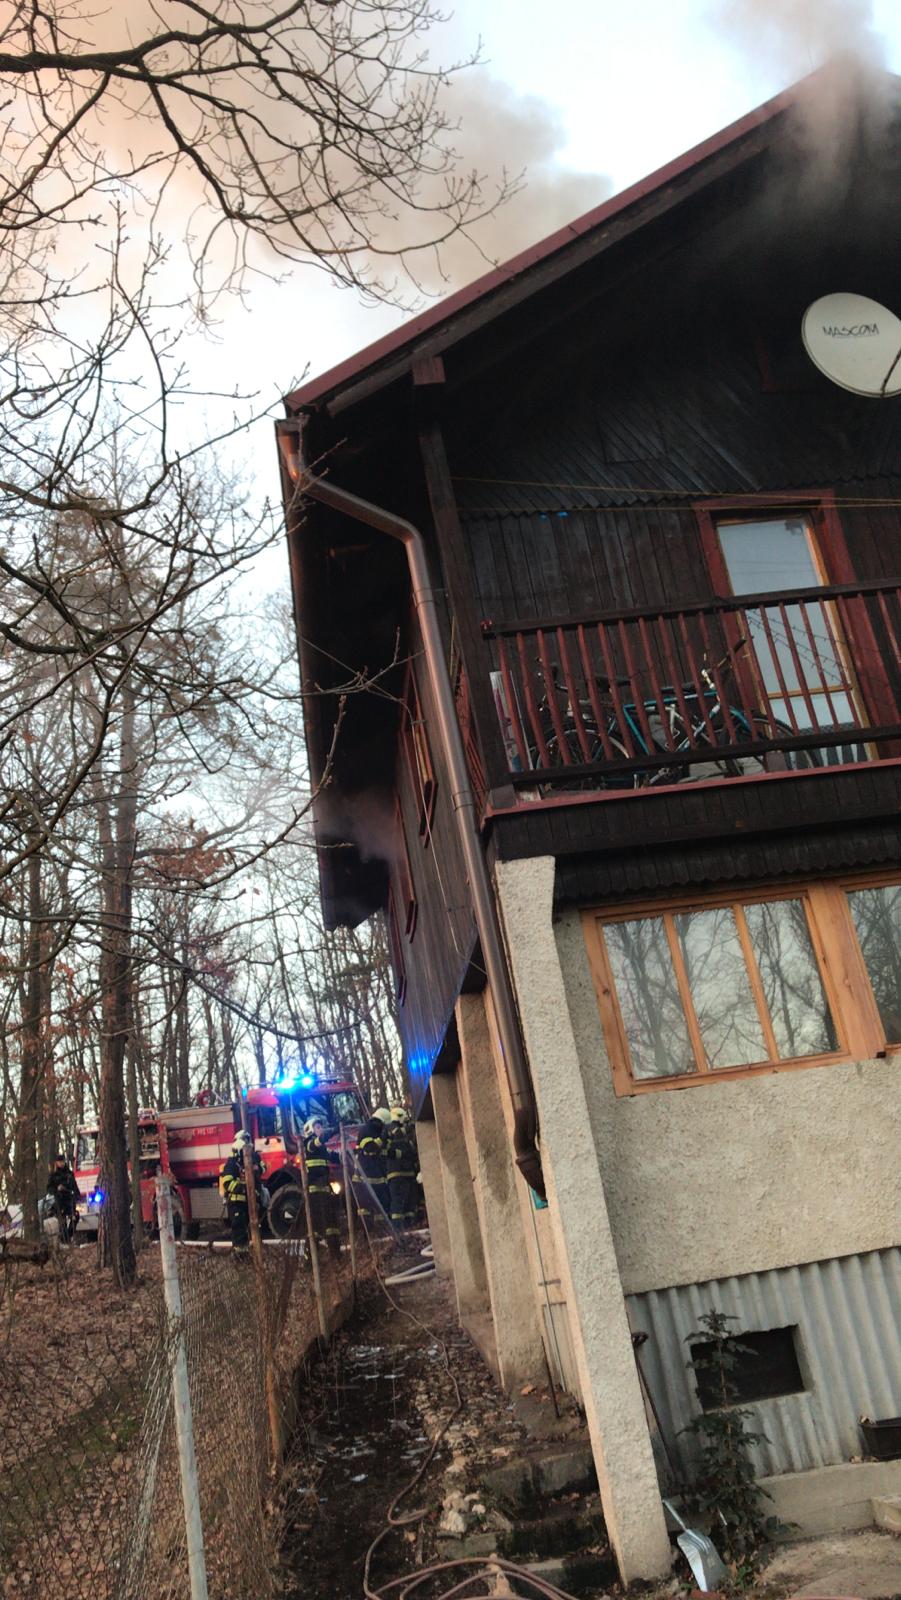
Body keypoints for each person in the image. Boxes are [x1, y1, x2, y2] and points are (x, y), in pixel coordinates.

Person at [302, 1116, 341, 1257]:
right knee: (316, 1225)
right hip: (314, 1192)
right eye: (318, 1127)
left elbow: (334, 1156)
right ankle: (311, 1258)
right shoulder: (309, 1144)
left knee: (331, 1222)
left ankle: (335, 1253)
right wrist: (333, 1131)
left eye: (321, 1127)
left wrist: (346, 1155)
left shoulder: (322, 1148)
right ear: (310, 1130)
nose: (321, 1129)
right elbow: (318, 1142)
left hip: (325, 1189)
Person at [220, 1130, 264, 1250]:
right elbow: (227, 1182)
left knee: (256, 1226)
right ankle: (240, 1254)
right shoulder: (232, 1163)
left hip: (252, 1201)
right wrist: (243, 1189)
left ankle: (255, 1251)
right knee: (239, 1228)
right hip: (237, 1203)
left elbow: (263, 1167)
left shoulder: (254, 1158)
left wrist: (257, 1168)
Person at [351, 1111, 390, 1232]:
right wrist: (382, 1139)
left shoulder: (377, 1132)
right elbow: (370, 1148)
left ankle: (382, 1233)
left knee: (381, 1207)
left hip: (378, 1177)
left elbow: (384, 1153)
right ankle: (366, 1234)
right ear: (380, 1122)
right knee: (365, 1209)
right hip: (364, 1179)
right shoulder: (366, 1131)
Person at [385, 1107, 418, 1231]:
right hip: (396, 1173)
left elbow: (411, 1150)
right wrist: (411, 1126)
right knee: (397, 1202)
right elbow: (397, 1133)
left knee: (410, 1202)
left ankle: (410, 1227)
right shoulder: (390, 1127)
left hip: (408, 1172)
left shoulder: (406, 1133)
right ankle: (397, 1229)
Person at [46, 1152, 80, 1242]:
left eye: (62, 1161)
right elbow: (49, 1188)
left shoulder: (69, 1174)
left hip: (70, 1200)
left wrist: (77, 1195)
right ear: (56, 1163)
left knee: (75, 1217)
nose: (61, 1163)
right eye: (59, 1162)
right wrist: (57, 1189)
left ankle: (69, 1235)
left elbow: (74, 1186)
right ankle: (65, 1240)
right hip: (60, 1201)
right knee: (62, 1222)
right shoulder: (54, 1175)